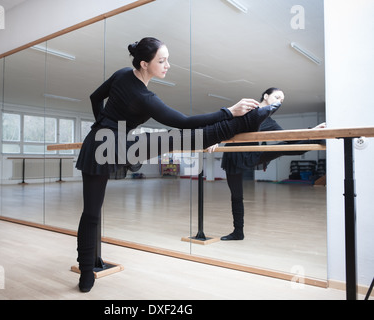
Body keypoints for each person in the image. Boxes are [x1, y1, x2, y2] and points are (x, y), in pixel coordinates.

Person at [74, 37, 279, 292]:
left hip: (98, 141)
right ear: (144, 64)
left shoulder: (122, 74)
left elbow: (95, 98)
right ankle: (244, 121)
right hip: (108, 146)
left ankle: (85, 273)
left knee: (91, 212)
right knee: (175, 137)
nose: (167, 65)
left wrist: (105, 126)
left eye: (167, 59)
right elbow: (184, 121)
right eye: (162, 61)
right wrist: (228, 111)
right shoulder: (144, 96)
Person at [213, 87, 326, 241]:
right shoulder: (248, 109)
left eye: (282, 100)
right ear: (266, 96)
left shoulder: (269, 121)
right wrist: (213, 140)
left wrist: (312, 131)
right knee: (236, 196)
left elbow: (288, 138)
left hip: (252, 154)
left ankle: (316, 138)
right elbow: (226, 125)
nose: (279, 101)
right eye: (277, 97)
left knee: (283, 147)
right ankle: (238, 232)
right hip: (233, 156)